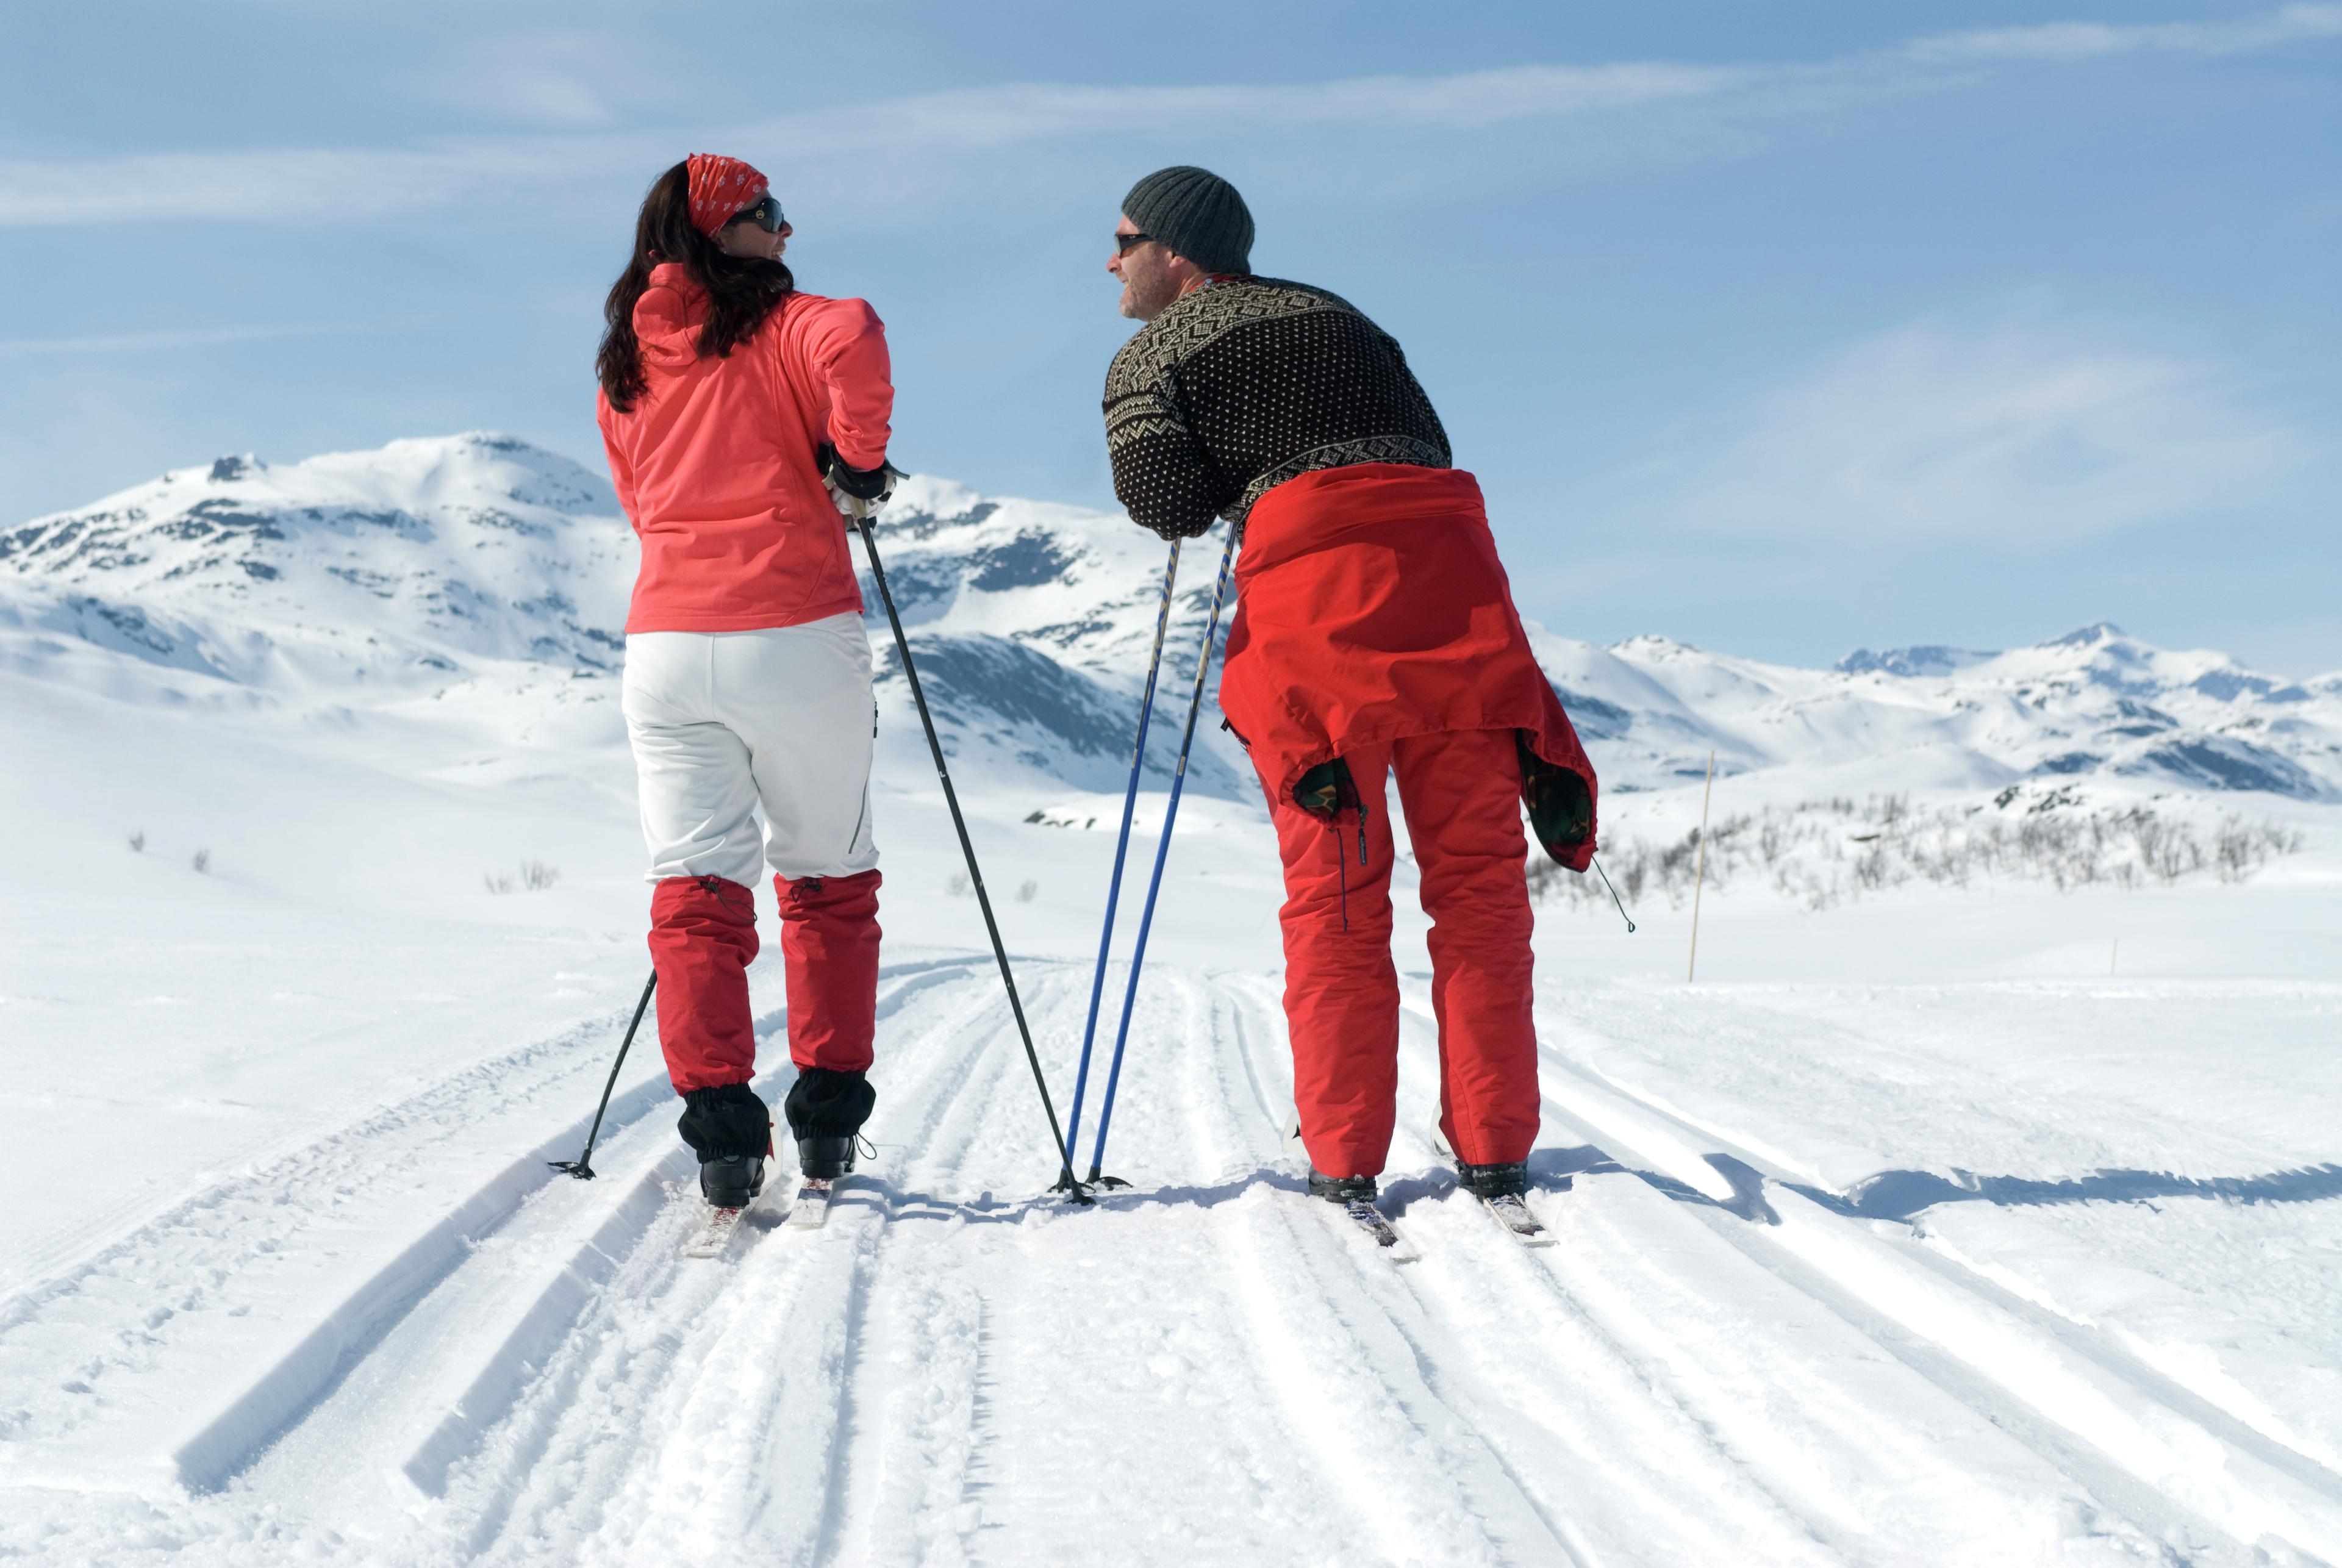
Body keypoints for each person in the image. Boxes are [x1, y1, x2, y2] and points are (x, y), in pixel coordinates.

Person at [1100, 166, 1599, 1211]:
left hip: (1320, 629)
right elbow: (1431, 445)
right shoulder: (1346, 317)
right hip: (1456, 608)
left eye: (1124, 240)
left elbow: (1167, 505)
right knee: (1480, 891)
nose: (1111, 262)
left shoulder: (1152, 351)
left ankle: (1344, 1158)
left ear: (1177, 253)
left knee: (1335, 894)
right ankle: (1497, 1144)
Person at [595, 155, 901, 1207]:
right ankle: (823, 1126)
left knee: (695, 890)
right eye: (766, 213)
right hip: (794, 627)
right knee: (826, 877)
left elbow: (640, 500)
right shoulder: (782, 325)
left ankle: (723, 1134)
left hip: (668, 642)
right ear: (724, 232)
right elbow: (854, 331)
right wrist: (857, 467)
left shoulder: (626, 361)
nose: (785, 227)